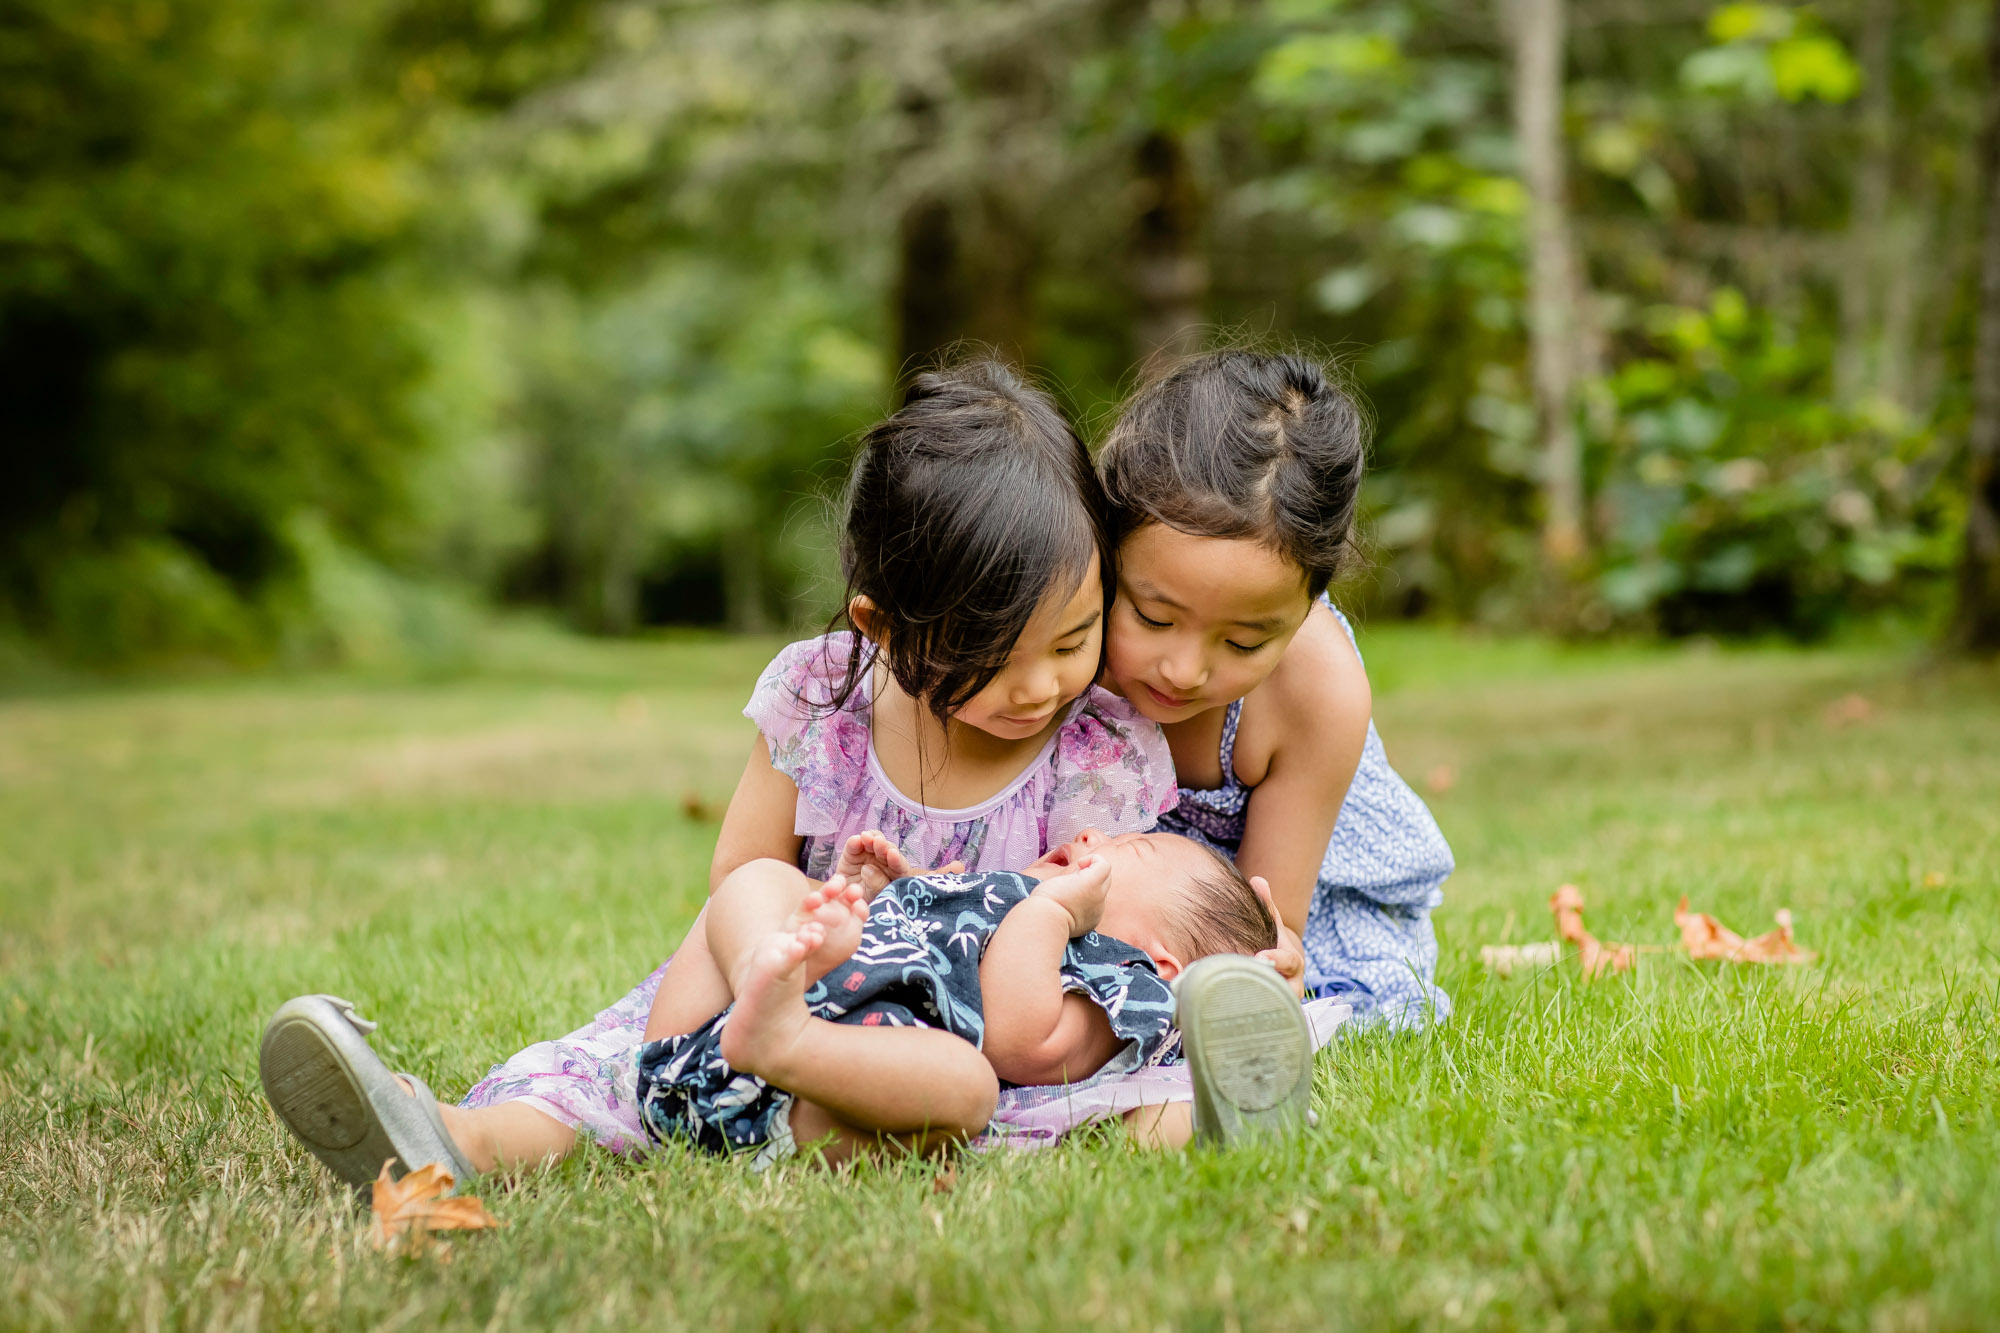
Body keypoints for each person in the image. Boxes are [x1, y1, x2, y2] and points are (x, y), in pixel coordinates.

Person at [258, 361, 1223, 1188]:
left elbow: (1108, 957)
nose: (1042, 685)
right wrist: (819, 931)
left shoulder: (1099, 748)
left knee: (1014, 1100)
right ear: (880, 627)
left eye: (1072, 639)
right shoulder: (820, 701)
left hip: (924, 1047)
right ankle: (450, 1133)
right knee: (672, 995)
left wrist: (919, 904)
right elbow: (737, 882)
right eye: (992, 657)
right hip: (761, 989)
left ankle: (792, 1095)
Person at [1094, 348, 1456, 1032]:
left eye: (1243, 642)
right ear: (1107, 548)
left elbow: (1268, 923)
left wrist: (1268, 964)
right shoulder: (1063, 626)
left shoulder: (1315, 688)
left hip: (1277, 902)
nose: (1184, 669)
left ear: (1310, 603)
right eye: (1154, 617)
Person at [633, 828, 1279, 1165]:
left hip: (806, 1100)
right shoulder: (1014, 896)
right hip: (692, 1048)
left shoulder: (1127, 983)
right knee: (764, 877)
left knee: (969, 1087)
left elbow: (1016, 1040)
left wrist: (1051, 914)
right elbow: (949, 943)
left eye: (1129, 847)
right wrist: (901, 892)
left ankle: (785, 1038)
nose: (1091, 837)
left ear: (1162, 956)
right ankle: (760, 974)